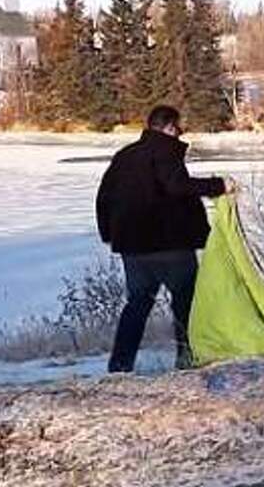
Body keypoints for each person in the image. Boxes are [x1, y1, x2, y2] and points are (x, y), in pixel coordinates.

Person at [96, 104, 235, 372]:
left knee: (137, 305)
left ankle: (119, 365)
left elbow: (105, 197)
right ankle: (188, 359)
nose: (180, 133)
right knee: (186, 304)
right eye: (178, 127)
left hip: (133, 248)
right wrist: (218, 185)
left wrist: (109, 234)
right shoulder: (166, 152)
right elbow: (177, 186)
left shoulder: (124, 156)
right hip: (171, 246)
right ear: (169, 127)